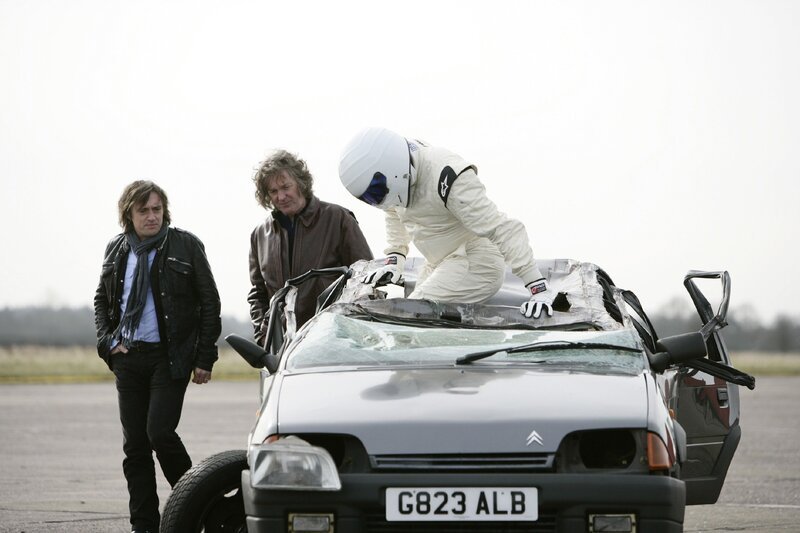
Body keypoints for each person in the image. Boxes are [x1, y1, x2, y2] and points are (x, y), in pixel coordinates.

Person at [93, 180, 221, 533]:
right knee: (135, 447)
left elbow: (209, 302)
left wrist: (204, 357)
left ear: (165, 211)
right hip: (128, 357)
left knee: (159, 433)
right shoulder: (116, 249)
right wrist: (108, 343)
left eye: (157, 209)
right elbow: (102, 301)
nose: (152, 217)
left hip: (170, 358)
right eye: (143, 210)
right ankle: (144, 525)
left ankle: (200, 507)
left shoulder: (185, 245)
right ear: (128, 215)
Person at [338, 127, 554, 319]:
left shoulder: (447, 176)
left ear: (392, 168)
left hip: (477, 263)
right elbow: (393, 208)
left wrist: (537, 286)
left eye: (375, 193)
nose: (376, 201)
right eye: (368, 198)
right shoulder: (399, 176)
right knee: (407, 318)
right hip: (438, 263)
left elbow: (501, 228)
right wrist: (395, 258)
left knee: (409, 317)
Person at [248, 149, 373, 344]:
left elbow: (366, 279)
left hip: (332, 340)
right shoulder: (259, 235)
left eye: (285, 187)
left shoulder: (338, 219)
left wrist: (352, 330)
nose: (281, 196)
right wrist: (263, 334)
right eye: (273, 191)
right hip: (281, 347)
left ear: (301, 183)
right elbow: (257, 292)